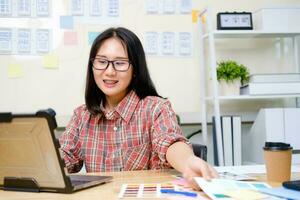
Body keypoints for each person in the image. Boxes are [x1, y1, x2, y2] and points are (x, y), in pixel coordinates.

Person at [59, 27, 218, 189]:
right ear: (92, 66)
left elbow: (170, 141)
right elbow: (64, 158)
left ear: (135, 69)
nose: (109, 71)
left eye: (120, 63)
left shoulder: (156, 108)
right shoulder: (81, 115)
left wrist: (188, 161)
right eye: (101, 62)